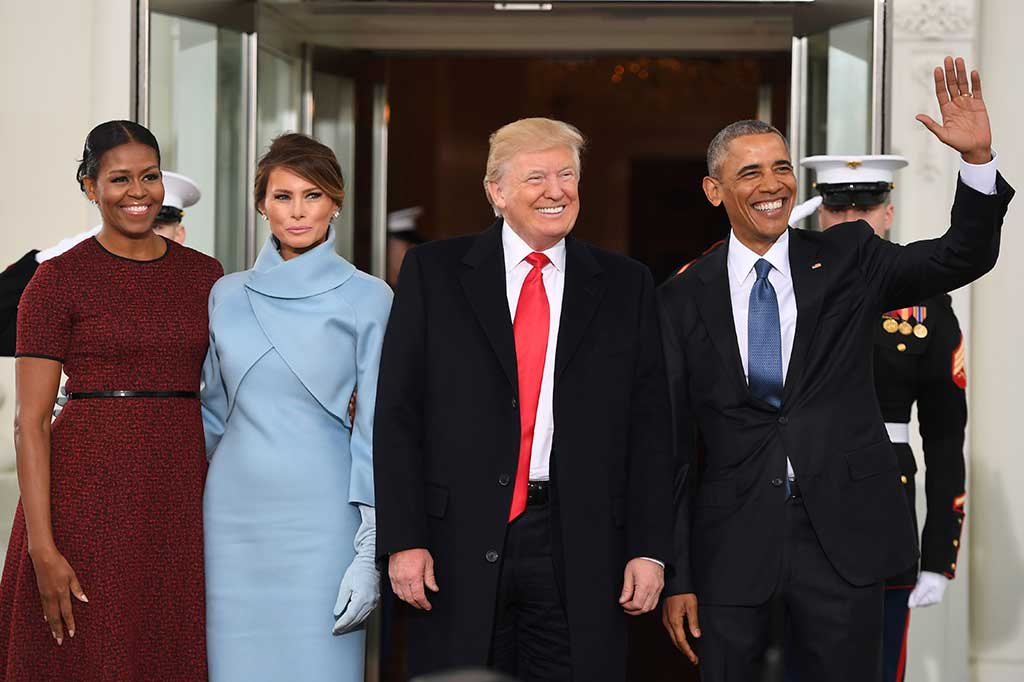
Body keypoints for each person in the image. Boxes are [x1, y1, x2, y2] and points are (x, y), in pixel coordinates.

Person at [657, 57, 1011, 682]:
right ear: (716, 191)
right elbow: (675, 448)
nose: (773, 184)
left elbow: (962, 255)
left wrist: (977, 163)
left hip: (840, 537)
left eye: (782, 167)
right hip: (730, 544)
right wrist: (677, 573)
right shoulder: (683, 296)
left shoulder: (848, 257)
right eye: (750, 172)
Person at [374, 117, 674, 681]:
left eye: (567, 175)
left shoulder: (624, 284)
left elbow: (652, 429)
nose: (555, 191)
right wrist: (404, 539)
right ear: (497, 191)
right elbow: (398, 416)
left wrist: (649, 549)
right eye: (536, 176)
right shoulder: (433, 273)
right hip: (454, 542)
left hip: (583, 542)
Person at [0, 120, 222, 679]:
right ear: (89, 186)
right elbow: (29, 422)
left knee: (167, 647)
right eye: (119, 178)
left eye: (148, 176)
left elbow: (233, 383)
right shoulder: (55, 281)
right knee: (86, 653)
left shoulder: (206, 276)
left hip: (176, 492)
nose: (138, 192)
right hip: (83, 497)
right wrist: (42, 550)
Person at [201, 133, 392, 681]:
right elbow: (210, 415)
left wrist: (369, 550)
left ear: (336, 202)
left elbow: (375, 429)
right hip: (231, 519)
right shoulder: (226, 293)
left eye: (312, 195)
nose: (298, 211)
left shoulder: (369, 296)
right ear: (261, 204)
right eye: (282, 196)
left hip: (325, 520)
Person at [783, 154, 967, 682]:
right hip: (791, 503)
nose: (851, 222)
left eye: (866, 207)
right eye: (838, 209)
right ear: (820, 214)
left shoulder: (925, 302)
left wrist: (938, 552)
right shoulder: (781, 287)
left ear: (888, 214)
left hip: (879, 502)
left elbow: (945, 433)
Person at [0, 170, 202, 356]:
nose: (144, 234)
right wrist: (48, 257)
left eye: (156, 226)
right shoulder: (86, 297)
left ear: (179, 235)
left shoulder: (200, 286)